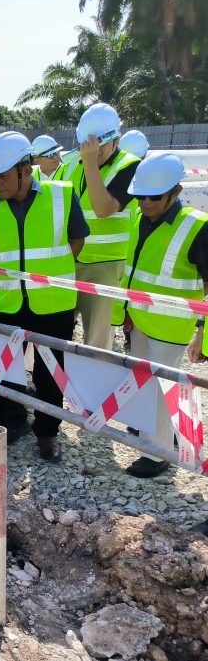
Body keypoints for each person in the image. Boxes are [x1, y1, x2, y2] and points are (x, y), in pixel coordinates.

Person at [0, 132, 90, 478]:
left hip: (54, 306)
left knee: (50, 376)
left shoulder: (62, 195)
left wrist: (51, 274)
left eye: (2, 175)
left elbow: (76, 241)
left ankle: (47, 434)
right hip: (6, 305)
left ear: (25, 169)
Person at [112, 153, 208, 478]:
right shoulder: (138, 219)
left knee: (162, 390)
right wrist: (124, 312)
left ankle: (158, 455)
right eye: (140, 196)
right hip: (139, 321)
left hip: (171, 327)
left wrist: (203, 336)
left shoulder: (197, 228)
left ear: (176, 191)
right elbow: (131, 272)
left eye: (154, 196)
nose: (146, 202)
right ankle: (160, 436)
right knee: (143, 384)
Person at [70, 103, 141, 351]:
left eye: (99, 144)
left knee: (97, 341)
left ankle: (95, 386)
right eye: (87, 144)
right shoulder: (73, 164)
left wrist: (89, 164)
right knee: (59, 328)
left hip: (105, 266)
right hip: (71, 260)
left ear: (116, 140)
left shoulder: (130, 166)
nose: (93, 151)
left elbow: (103, 209)